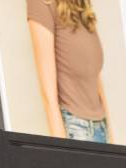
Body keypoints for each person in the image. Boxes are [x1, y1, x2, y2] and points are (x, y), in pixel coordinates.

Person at [27, 0, 114, 142]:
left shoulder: (82, 6)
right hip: (75, 129)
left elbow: (95, 77)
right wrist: (62, 150)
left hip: (101, 127)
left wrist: (111, 139)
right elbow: (48, 96)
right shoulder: (41, 3)